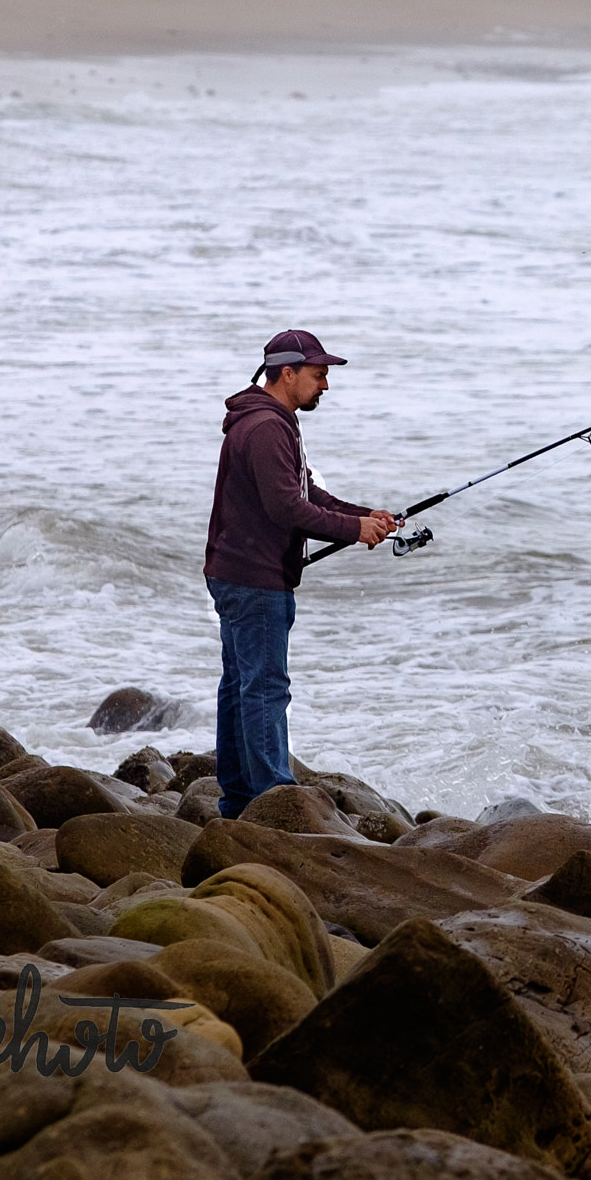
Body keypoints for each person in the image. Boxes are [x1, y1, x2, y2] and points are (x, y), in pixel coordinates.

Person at [204, 329, 396, 818]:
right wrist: (354, 531)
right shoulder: (267, 428)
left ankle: (240, 801)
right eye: (319, 374)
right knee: (264, 687)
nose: (326, 385)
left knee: (241, 685)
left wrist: (367, 516)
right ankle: (276, 803)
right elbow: (287, 507)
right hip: (254, 579)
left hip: (235, 571)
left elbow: (307, 495)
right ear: (286, 373)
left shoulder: (268, 420)